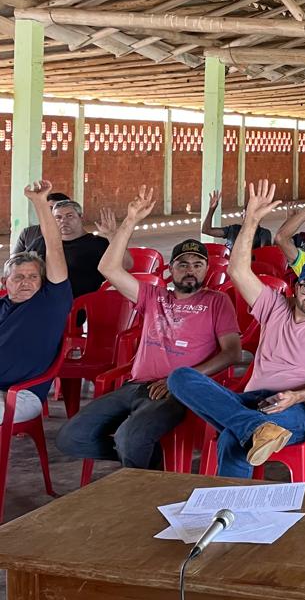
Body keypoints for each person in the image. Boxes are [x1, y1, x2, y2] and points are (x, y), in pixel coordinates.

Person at [168, 180, 305, 478]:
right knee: (180, 377)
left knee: (232, 440)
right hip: (252, 401)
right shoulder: (274, 305)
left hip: (295, 408)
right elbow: (238, 270)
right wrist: (251, 221)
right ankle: (254, 428)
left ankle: (229, 495)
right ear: (296, 287)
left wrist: (296, 396)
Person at [57, 186, 240, 470]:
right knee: (71, 437)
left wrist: (180, 381)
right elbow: (109, 269)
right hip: (136, 385)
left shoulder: (216, 301)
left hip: (178, 391)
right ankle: (150, 466)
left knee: (129, 438)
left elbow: (232, 353)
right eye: (182, 264)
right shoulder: (153, 296)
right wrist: (129, 221)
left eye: (198, 264)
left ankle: (138, 471)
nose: (190, 270)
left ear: (206, 270)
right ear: (170, 269)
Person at [1, 181, 72, 424]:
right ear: (5, 282)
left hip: (20, 396)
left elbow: (55, 249)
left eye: (33, 277)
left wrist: (40, 203)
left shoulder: (50, 303)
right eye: (18, 277)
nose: (26, 282)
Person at [28, 196, 117, 297]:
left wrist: (112, 235)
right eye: (58, 217)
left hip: (84, 302)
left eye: (69, 216)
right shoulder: (42, 242)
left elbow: (126, 266)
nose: (63, 221)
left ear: (81, 217)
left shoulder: (98, 243)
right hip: (48, 300)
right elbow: (22, 263)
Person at [201, 190, 272, 250]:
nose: (250, 218)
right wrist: (211, 209)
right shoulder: (233, 230)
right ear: (242, 215)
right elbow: (206, 230)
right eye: (247, 214)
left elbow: (263, 255)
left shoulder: (264, 234)